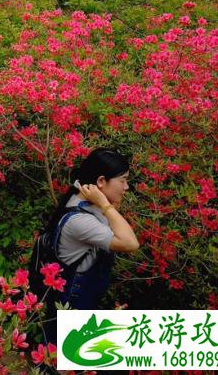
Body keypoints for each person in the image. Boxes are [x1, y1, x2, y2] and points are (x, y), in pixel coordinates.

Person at [41, 148, 139, 345]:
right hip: (73, 303)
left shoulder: (84, 202)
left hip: (81, 299)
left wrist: (105, 202)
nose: (126, 187)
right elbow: (130, 243)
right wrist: (104, 202)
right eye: (122, 180)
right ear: (101, 181)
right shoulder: (80, 220)